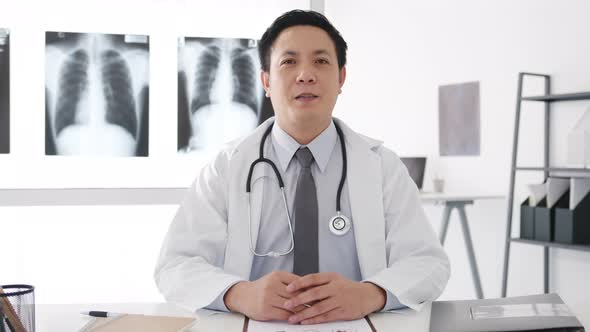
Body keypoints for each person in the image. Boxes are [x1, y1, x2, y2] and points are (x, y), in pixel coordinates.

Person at [155, 9, 450, 325]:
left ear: (341, 79)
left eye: (321, 61)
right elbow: (175, 265)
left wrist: (370, 294)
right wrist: (239, 293)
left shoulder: (382, 167)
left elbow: (428, 263)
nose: (305, 74)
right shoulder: (227, 167)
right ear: (266, 81)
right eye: (289, 61)